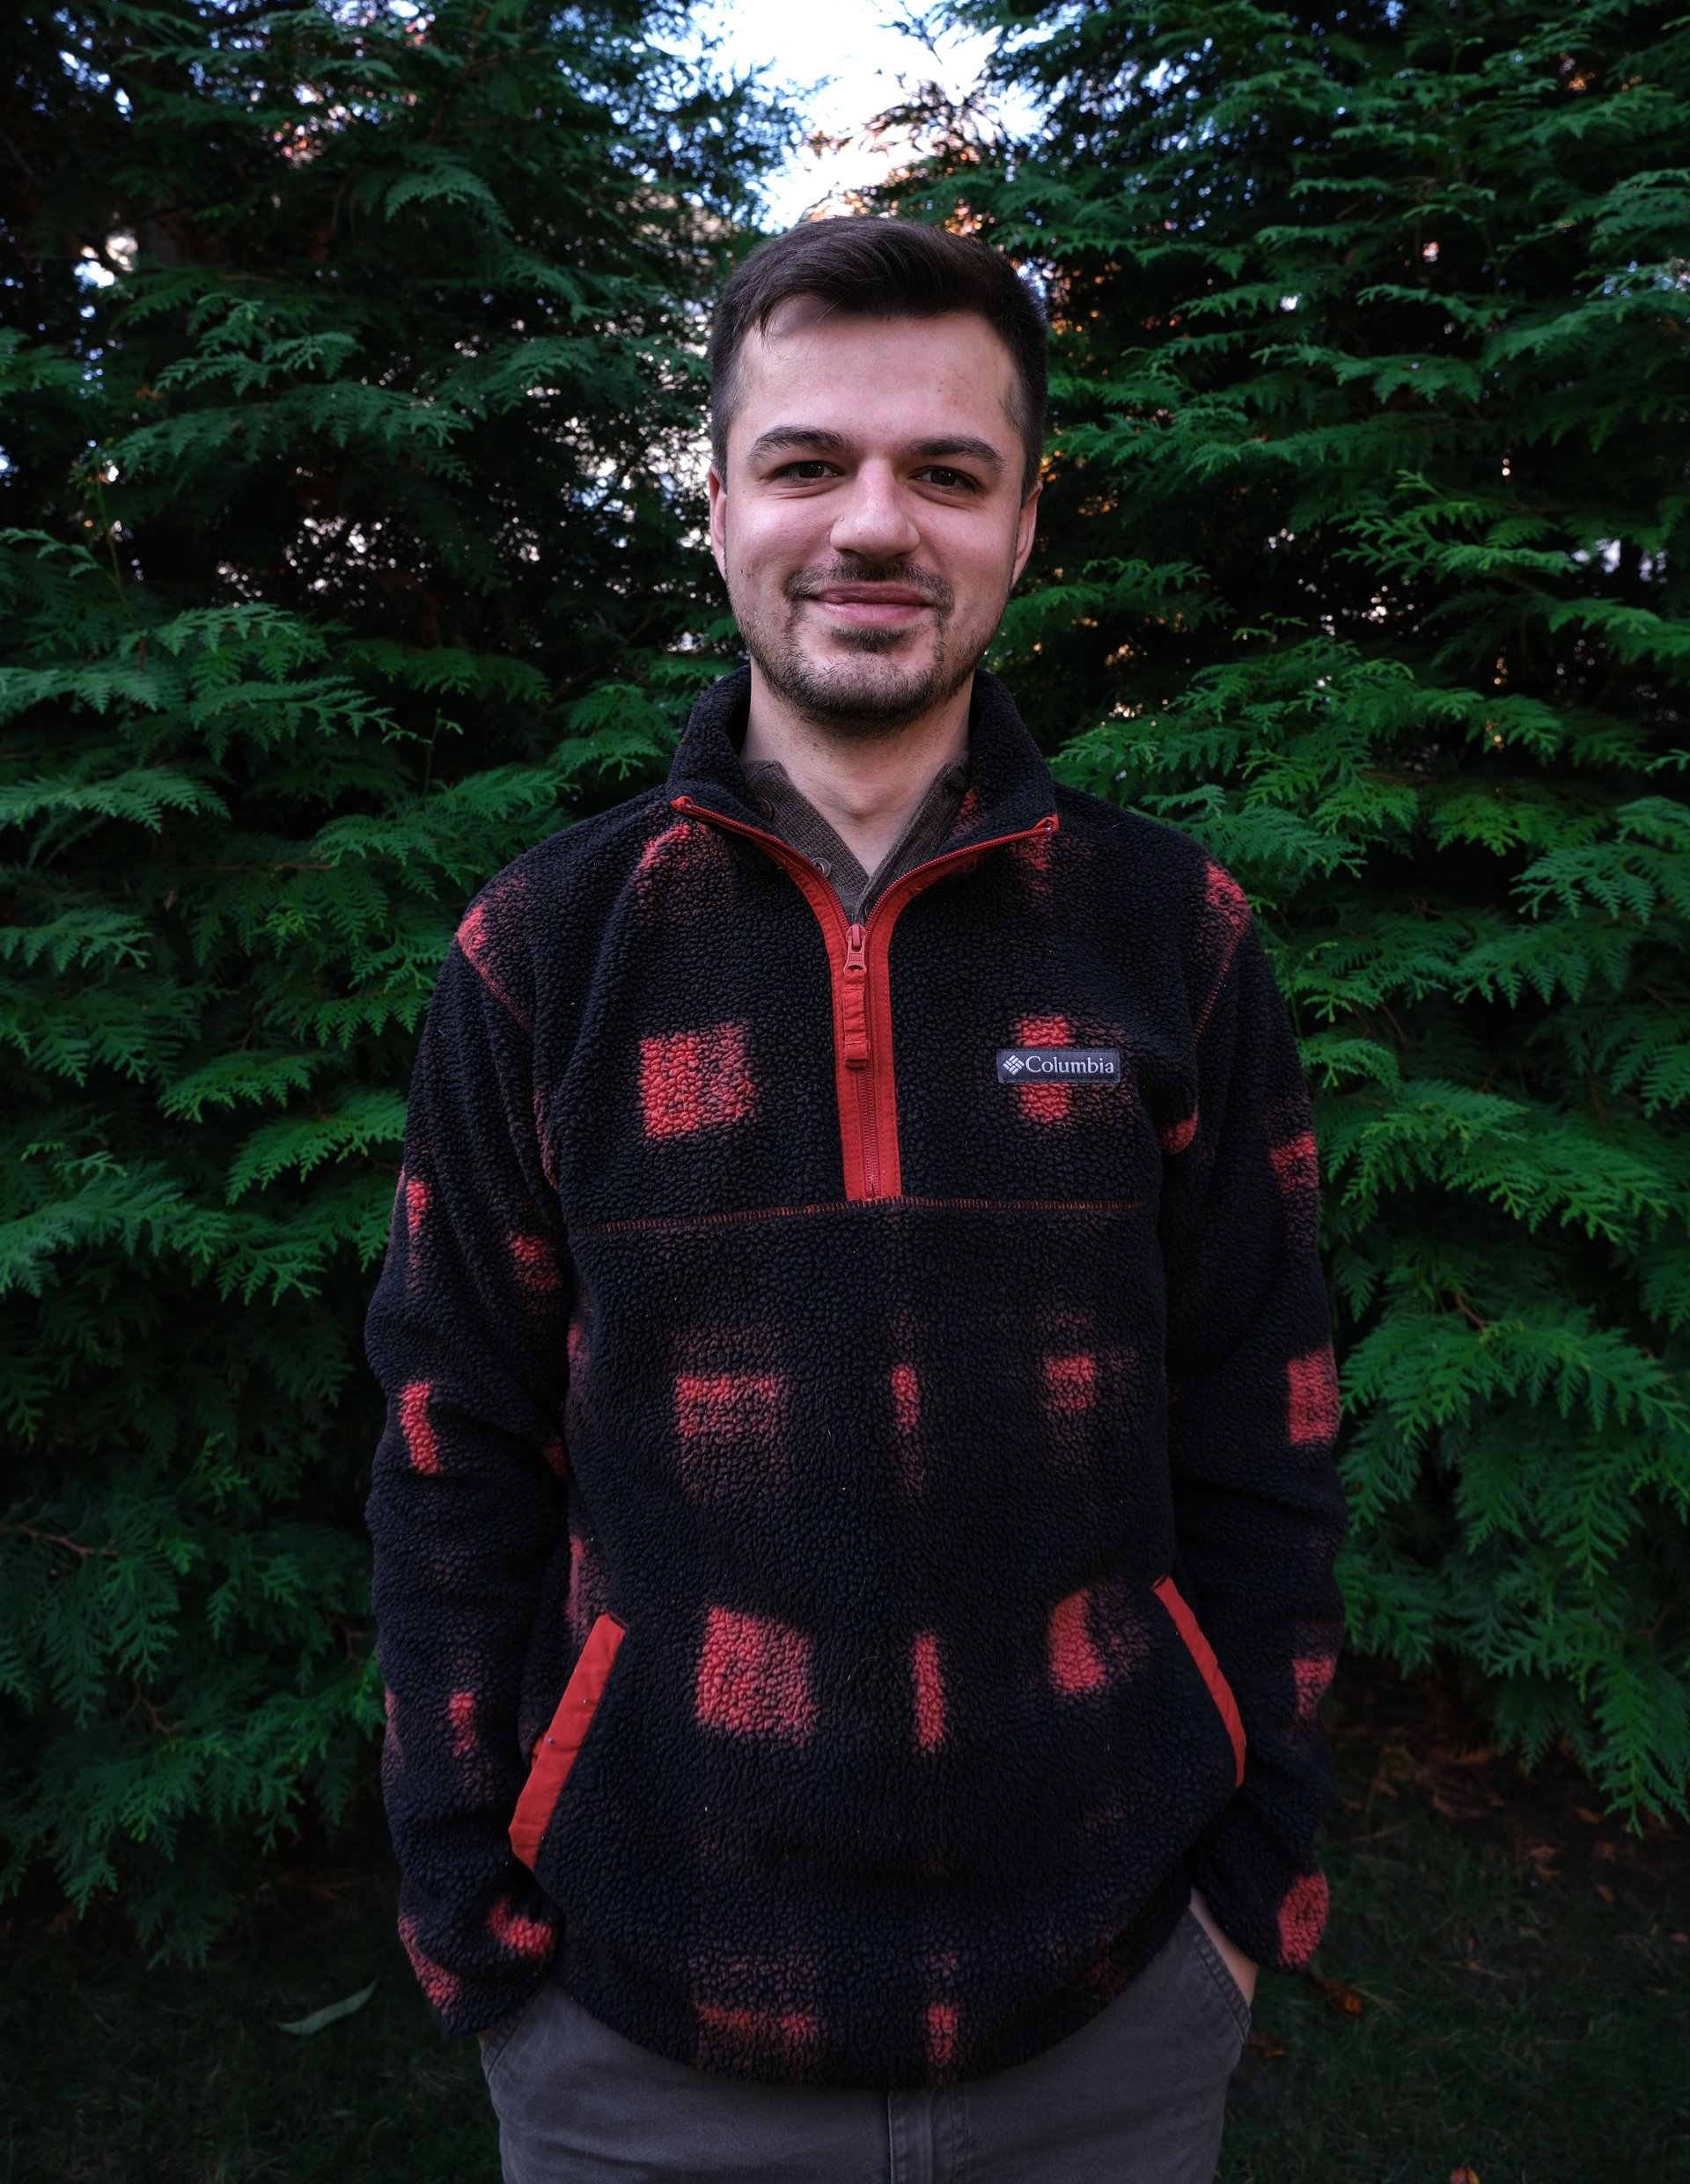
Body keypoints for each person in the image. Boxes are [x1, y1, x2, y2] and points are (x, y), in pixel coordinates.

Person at [364, 217, 1348, 2184]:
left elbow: (1272, 1429)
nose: (875, 522)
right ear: (718, 504)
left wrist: (1254, 1888)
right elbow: (446, 1451)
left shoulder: (1181, 938)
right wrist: (472, 1917)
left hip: (1115, 2009)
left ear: (1023, 524)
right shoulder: (542, 953)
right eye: (809, 461)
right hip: (641, 2029)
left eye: (948, 472)